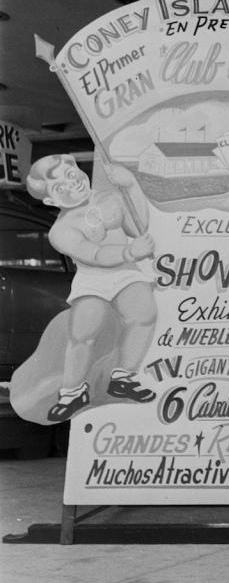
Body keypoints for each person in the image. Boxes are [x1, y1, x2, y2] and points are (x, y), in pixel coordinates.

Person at [25, 153, 158, 421]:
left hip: (126, 273)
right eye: (61, 186)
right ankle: (73, 391)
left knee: (144, 313)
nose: (72, 184)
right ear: (51, 200)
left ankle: (124, 376)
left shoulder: (112, 198)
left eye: (73, 175)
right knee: (83, 330)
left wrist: (131, 185)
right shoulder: (60, 231)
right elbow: (94, 255)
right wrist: (130, 252)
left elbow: (138, 226)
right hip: (93, 278)